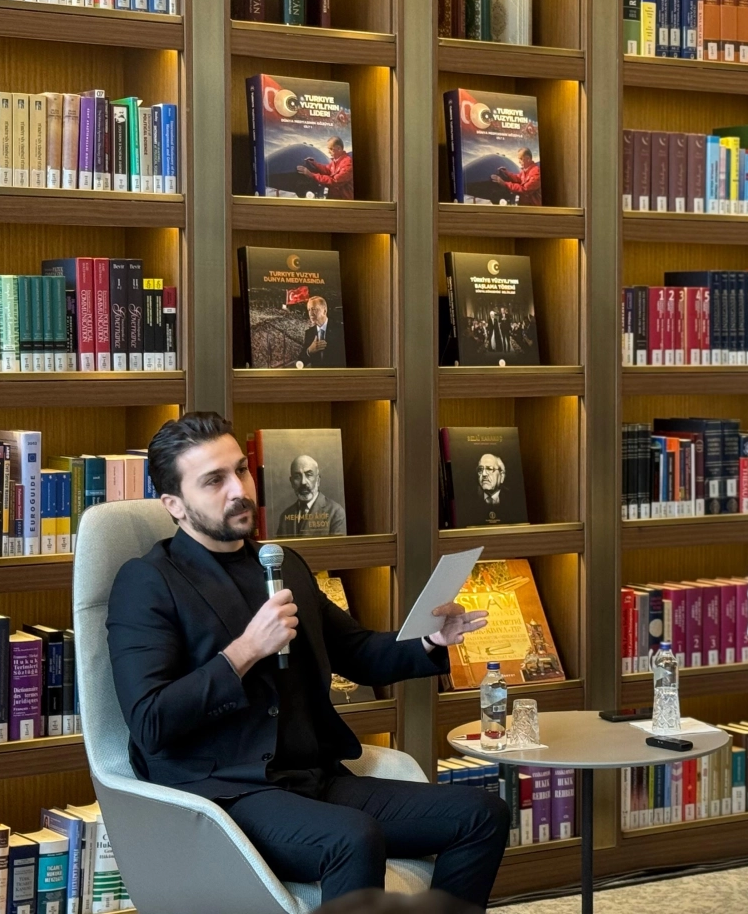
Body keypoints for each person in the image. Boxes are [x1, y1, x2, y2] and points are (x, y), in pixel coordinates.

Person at [106, 413, 510, 908]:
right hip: (225, 793)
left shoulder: (283, 565)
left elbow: (357, 653)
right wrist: (245, 651)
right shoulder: (148, 582)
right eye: (214, 480)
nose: (238, 490)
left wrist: (430, 641)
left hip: (312, 780)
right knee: (353, 838)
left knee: (481, 813)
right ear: (174, 505)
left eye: (241, 471)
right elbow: (150, 720)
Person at [278, 453, 348, 537]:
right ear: (291, 482)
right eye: (297, 476)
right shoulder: (285, 515)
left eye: (309, 475)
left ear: (318, 480)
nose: (303, 482)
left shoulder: (336, 512)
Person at [299, 295, 334, 368]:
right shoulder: (309, 333)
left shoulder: (339, 329)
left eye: (314, 309)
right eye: (309, 310)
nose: (310, 313)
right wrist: (309, 351)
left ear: (324, 311)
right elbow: (300, 363)